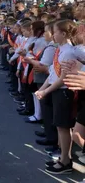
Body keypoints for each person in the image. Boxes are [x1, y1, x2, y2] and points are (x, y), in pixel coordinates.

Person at [36, 19, 77, 174]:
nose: (53, 35)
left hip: (63, 92)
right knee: (60, 126)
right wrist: (43, 88)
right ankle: (62, 157)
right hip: (55, 90)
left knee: (64, 127)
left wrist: (45, 91)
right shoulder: (60, 49)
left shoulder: (68, 51)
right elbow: (53, 72)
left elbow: (62, 79)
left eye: (55, 32)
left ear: (64, 34)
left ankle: (66, 161)